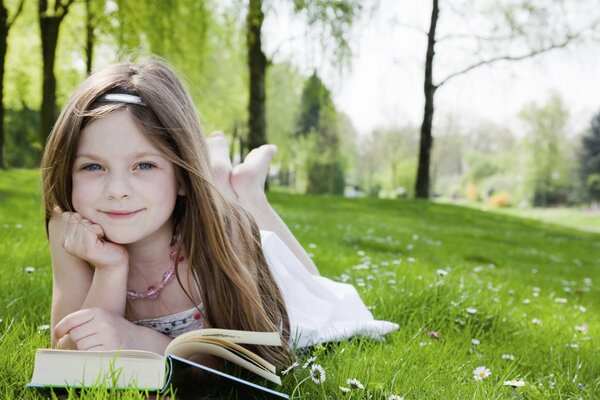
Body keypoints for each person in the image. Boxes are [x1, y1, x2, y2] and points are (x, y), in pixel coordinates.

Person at [41, 59, 397, 367]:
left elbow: (250, 351)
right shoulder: (70, 232)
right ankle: (221, 177)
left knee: (317, 291)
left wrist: (142, 342)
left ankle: (248, 192)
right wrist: (110, 268)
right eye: (92, 167)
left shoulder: (219, 238)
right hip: (212, 211)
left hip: (257, 263)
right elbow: (68, 350)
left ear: (181, 175)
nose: (116, 190)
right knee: (220, 200)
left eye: (144, 165)